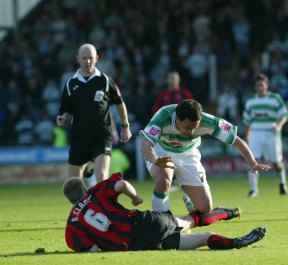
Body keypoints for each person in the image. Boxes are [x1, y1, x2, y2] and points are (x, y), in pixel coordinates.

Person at [63, 173, 266, 252]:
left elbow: (93, 250)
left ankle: (235, 242)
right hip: (144, 223)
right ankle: (228, 213)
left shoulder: (72, 225)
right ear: (83, 189)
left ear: (70, 200)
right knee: (190, 221)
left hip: (134, 246)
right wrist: (136, 198)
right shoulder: (94, 193)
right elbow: (121, 184)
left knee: (200, 239)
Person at [140, 99, 271, 213]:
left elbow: (236, 141)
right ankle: (161, 222)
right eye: (187, 127)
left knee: (205, 207)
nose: (191, 132)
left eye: (194, 128)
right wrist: (156, 160)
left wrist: (253, 163)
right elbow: (146, 146)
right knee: (164, 179)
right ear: (178, 119)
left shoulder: (209, 121)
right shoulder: (163, 116)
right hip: (161, 151)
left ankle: (190, 200)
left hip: (188, 154)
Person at [56, 43, 132, 183]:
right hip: (79, 135)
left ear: (97, 58)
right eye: (84, 58)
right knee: (72, 184)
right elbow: (65, 112)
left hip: (101, 133)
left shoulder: (105, 81)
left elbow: (120, 104)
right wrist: (63, 118)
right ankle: (84, 201)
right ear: (78, 59)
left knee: (102, 176)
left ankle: (100, 202)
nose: (88, 61)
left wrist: (125, 126)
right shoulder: (70, 84)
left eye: (91, 58)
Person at [242, 73, 288, 198]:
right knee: (253, 162)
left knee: (277, 162)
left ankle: (282, 183)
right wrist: (247, 136)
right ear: (255, 87)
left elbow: (285, 115)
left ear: (267, 86)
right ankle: (253, 190)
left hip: (271, 134)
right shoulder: (251, 102)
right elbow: (247, 121)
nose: (260, 87)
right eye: (257, 85)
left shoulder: (275, 98)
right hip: (256, 134)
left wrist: (279, 125)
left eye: (262, 85)